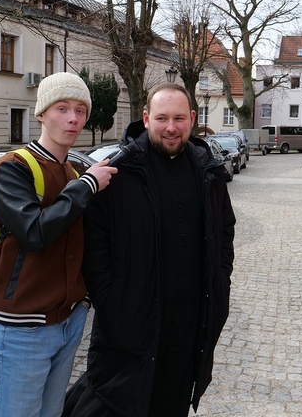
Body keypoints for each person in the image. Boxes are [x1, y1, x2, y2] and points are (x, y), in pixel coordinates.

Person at [64, 83, 236, 417]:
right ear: (145, 119)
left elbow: (224, 233)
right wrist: (113, 303)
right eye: (161, 118)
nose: (170, 127)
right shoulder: (118, 172)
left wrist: (220, 283)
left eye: (179, 118)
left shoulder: (208, 172)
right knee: (119, 402)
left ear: (193, 119)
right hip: (131, 325)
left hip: (188, 325)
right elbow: (94, 247)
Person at [0, 72, 118, 417]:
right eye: (62, 108)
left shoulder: (71, 172)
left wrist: (82, 301)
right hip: (20, 328)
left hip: (66, 322)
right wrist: (87, 186)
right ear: (41, 113)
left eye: (80, 110)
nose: (73, 119)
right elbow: (35, 233)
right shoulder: (13, 167)